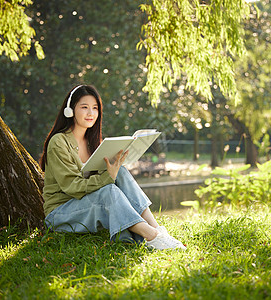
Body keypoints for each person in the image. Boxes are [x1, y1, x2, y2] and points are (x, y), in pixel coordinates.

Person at [40, 84, 186, 250]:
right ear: (70, 110)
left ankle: (158, 231)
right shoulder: (58, 142)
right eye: (84, 107)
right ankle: (151, 236)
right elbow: (73, 187)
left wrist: (116, 167)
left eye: (95, 108)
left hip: (85, 204)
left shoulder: (92, 142)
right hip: (61, 213)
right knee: (109, 189)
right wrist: (108, 177)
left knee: (120, 171)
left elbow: (105, 180)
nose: (90, 113)